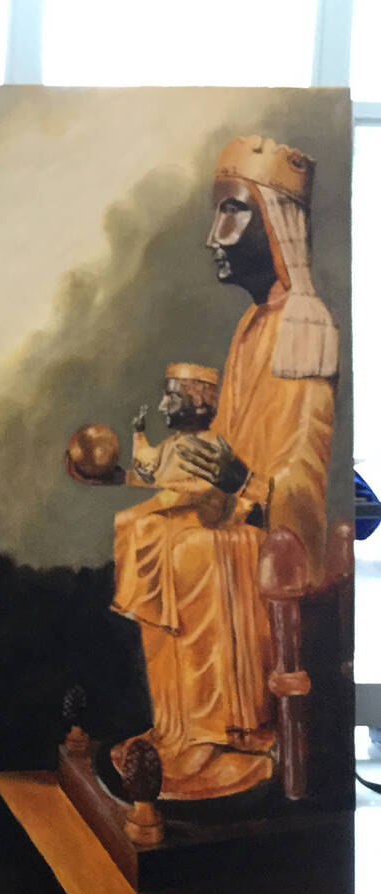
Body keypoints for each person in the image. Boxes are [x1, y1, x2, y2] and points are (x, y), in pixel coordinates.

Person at [75, 136, 338, 800]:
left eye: (230, 212)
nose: (212, 235)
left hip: (276, 535)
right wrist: (143, 474)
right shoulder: (252, 327)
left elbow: (303, 478)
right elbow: (216, 454)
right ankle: (179, 732)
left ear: (278, 224)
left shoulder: (306, 325)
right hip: (239, 510)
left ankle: (230, 741)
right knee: (144, 529)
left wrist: (239, 483)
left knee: (192, 552)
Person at [125, 364, 221, 490]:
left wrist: (159, 486)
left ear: (197, 400)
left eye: (171, 398)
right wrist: (138, 434)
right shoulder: (169, 445)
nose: (162, 406)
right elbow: (147, 468)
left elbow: (204, 491)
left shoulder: (211, 448)